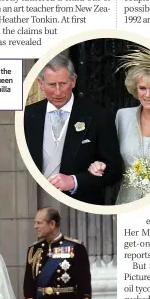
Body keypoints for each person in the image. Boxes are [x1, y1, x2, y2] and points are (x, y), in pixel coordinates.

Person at [24, 54, 123, 204]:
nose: (58, 91)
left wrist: (74, 181)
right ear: (40, 84)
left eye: (63, 84)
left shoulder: (98, 116)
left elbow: (114, 170)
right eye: (52, 85)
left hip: (80, 203)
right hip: (32, 203)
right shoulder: (27, 116)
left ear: (74, 80)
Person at [88, 47, 150, 203]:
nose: (148, 95)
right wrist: (98, 165)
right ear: (135, 89)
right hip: (128, 202)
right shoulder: (123, 116)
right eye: (143, 88)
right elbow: (110, 160)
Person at [24, 207, 91, 299]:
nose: (35, 226)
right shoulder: (34, 250)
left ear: (52, 224)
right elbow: (29, 284)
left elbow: (84, 284)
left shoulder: (76, 248)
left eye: (39, 223)